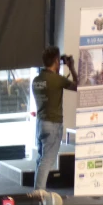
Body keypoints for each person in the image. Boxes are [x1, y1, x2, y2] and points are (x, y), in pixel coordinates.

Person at [32, 46, 78, 190]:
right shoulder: (56, 80)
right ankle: (38, 194)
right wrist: (71, 67)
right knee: (47, 160)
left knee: (41, 159)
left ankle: (36, 192)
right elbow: (78, 86)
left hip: (40, 123)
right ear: (57, 61)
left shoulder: (37, 80)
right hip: (53, 124)